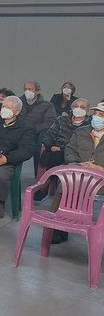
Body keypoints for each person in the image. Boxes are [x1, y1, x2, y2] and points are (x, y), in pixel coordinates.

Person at [52, 101, 104, 244]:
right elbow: (69, 149)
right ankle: (58, 228)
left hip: (101, 180)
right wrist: (79, 164)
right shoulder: (82, 131)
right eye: (96, 114)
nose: (98, 117)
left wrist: (99, 168)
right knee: (64, 184)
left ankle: (86, 226)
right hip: (80, 172)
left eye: (102, 115)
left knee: (78, 187)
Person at [34, 98, 90, 202]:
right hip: (55, 149)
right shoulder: (61, 120)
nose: (79, 109)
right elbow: (49, 135)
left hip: (75, 152)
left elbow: (82, 145)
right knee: (56, 154)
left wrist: (62, 148)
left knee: (61, 154)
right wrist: (50, 145)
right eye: (76, 106)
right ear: (72, 108)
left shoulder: (89, 125)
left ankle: (47, 184)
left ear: (88, 111)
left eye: (82, 107)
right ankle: (48, 184)